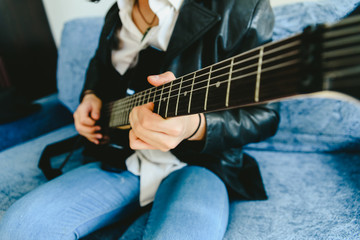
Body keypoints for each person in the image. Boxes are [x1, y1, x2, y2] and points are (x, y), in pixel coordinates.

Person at [0, 0, 279, 239]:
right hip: (122, 156)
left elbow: (265, 115)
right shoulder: (118, 10)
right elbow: (100, 65)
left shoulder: (243, 6)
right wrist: (90, 95)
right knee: (21, 228)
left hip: (202, 164)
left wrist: (194, 127)